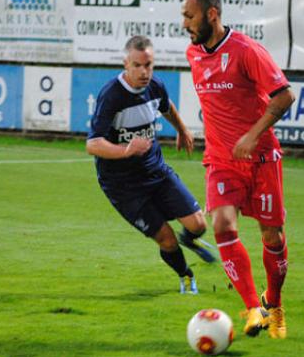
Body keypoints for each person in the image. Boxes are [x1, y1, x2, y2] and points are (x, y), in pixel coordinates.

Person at [181, 0, 296, 339]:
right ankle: (252, 308)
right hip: (221, 159)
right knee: (223, 225)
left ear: (212, 14)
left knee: (271, 236)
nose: (185, 23)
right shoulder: (193, 53)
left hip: (260, 157)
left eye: (190, 16)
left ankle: (273, 302)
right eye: (184, 16)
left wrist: (251, 135)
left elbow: (285, 96)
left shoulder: (246, 51)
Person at [86, 35, 216, 295]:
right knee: (165, 239)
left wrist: (181, 129)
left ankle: (188, 239)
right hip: (123, 186)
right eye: (137, 65)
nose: (144, 72)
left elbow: (166, 107)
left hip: (155, 172)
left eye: (149, 65)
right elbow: (93, 144)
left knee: (199, 225)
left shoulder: (155, 86)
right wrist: (126, 150)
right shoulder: (111, 96)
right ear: (126, 64)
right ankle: (186, 276)